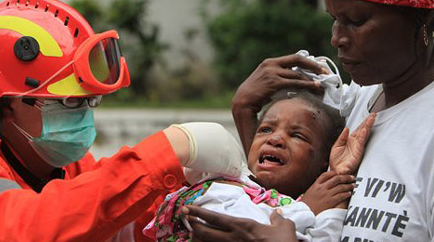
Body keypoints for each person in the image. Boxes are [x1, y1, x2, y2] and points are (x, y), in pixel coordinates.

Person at [184, 0, 434, 241]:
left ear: (424, 18)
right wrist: (244, 110)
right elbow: (287, 194)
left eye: (356, 21)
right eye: (334, 20)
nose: (337, 39)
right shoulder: (357, 101)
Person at [0, 0, 247, 242]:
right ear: (6, 105)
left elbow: (108, 219)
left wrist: (181, 195)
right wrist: (171, 149)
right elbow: (22, 229)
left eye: (90, 101)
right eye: (70, 101)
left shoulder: (59, 163)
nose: (84, 113)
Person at [143, 90, 375, 242]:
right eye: (265, 129)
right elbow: (243, 230)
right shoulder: (221, 189)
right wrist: (308, 210)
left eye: (297, 136)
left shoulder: (306, 201)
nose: (275, 139)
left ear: (322, 162)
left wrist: (338, 180)